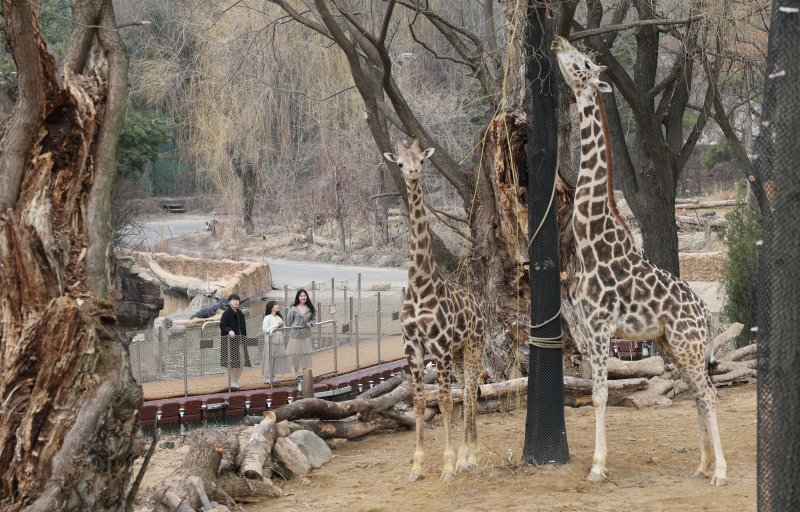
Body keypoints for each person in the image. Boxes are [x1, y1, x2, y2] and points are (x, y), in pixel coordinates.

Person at [219, 293, 251, 389]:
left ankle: (235, 380)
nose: (236, 302)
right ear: (229, 302)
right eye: (233, 300)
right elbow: (222, 325)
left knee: (242, 360)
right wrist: (229, 330)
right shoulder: (226, 313)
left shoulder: (240, 313)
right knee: (230, 362)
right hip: (229, 342)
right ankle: (231, 382)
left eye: (237, 300)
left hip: (240, 340)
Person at [285, 288, 316, 375]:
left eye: (305, 295)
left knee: (305, 353)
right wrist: (291, 331)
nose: (303, 297)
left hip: (306, 334)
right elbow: (289, 322)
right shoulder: (293, 309)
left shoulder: (310, 308)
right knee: (295, 354)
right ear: (298, 297)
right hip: (295, 335)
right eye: (301, 296)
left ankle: (305, 371)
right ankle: (297, 372)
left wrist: (311, 324)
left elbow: (314, 319)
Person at [261, 300, 290, 384]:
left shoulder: (279, 317)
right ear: (271, 308)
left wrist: (282, 325)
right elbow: (265, 330)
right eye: (276, 305)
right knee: (269, 359)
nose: (277, 306)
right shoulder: (267, 317)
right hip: (270, 342)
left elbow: (283, 331)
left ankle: (273, 376)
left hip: (279, 341)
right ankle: (267, 377)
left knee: (276, 359)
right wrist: (275, 326)